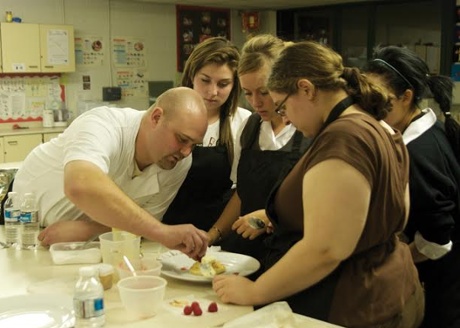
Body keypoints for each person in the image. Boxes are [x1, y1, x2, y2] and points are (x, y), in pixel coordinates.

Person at [213, 41, 424, 328]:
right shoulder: (379, 126)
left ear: (306, 89)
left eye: (283, 106)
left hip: (355, 302)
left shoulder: (343, 137)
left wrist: (256, 290)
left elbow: (325, 249)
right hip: (392, 288)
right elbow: (395, 214)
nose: (285, 117)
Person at [13, 87, 209, 259]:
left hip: (86, 245)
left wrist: (88, 230)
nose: (186, 152)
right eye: (182, 139)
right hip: (22, 230)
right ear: (156, 118)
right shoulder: (103, 124)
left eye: (193, 145)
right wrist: (162, 232)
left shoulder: (178, 162)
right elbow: (80, 184)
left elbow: (146, 221)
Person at [365, 45, 460, 328]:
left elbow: (437, 240)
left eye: (379, 100)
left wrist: (389, 261)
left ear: (407, 97)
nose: (370, 109)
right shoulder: (427, 130)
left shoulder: (419, 152)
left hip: (439, 286)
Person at [209, 34, 311, 263]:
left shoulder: (308, 129)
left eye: (264, 92)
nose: (256, 102)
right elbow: (241, 194)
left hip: (291, 253)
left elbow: (322, 206)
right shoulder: (251, 126)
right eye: (247, 93)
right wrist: (212, 234)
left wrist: (271, 217)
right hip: (246, 252)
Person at [162, 37, 251, 231]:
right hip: (165, 225)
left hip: (217, 229)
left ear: (235, 85)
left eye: (223, 84)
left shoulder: (243, 122)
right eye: (205, 80)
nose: (213, 92)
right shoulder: (166, 116)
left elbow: (241, 191)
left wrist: (214, 235)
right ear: (191, 76)